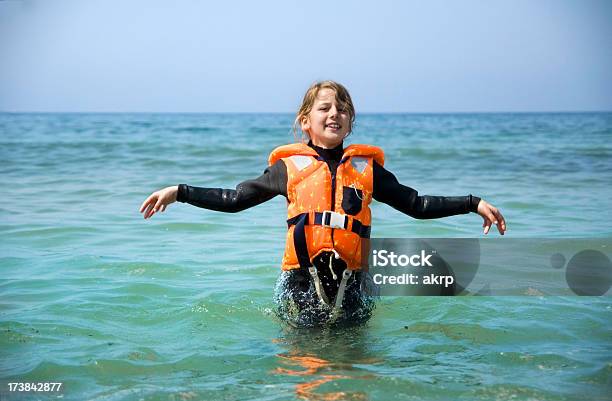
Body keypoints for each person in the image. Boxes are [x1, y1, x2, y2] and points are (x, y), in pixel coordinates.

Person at [139, 80, 506, 327]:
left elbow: (416, 204)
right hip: (301, 283)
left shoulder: (367, 170)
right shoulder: (288, 169)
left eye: (343, 109)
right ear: (305, 121)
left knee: (352, 365)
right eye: (325, 108)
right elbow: (235, 199)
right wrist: (180, 191)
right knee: (306, 366)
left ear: (350, 123)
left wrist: (472, 203)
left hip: (355, 286)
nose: (335, 113)